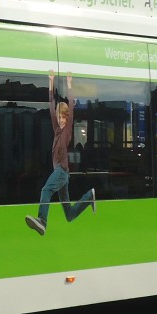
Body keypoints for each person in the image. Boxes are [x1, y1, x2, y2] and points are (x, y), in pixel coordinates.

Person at [26, 71, 94, 236]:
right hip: (63, 175)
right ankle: (89, 196)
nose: (62, 120)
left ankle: (42, 221)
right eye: (60, 117)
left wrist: (69, 85)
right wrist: (51, 83)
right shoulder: (57, 130)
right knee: (69, 215)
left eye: (64, 117)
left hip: (61, 171)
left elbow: (70, 106)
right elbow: (51, 105)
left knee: (45, 190)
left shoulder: (67, 131)